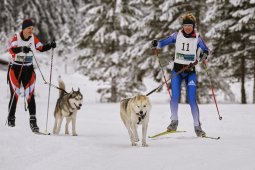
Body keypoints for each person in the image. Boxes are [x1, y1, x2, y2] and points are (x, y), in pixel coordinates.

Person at [151, 13, 209, 137]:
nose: (187, 27)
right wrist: (157, 43)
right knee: (175, 97)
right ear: (183, 26)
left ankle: (197, 127)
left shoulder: (197, 37)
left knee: (192, 99)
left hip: (190, 72)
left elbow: (205, 50)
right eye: (185, 25)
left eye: (190, 25)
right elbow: (163, 43)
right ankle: (174, 122)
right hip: (177, 71)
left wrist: (204, 55)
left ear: (193, 26)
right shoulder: (176, 35)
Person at [7, 19, 56, 132]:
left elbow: (41, 48)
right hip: (15, 69)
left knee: (30, 95)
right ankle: (11, 118)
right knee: (15, 93)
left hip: (28, 69)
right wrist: (22, 49)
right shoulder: (16, 37)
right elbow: (11, 49)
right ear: (23, 29)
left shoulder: (33, 38)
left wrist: (51, 45)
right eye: (29, 28)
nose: (31, 30)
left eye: (32, 29)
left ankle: (33, 123)